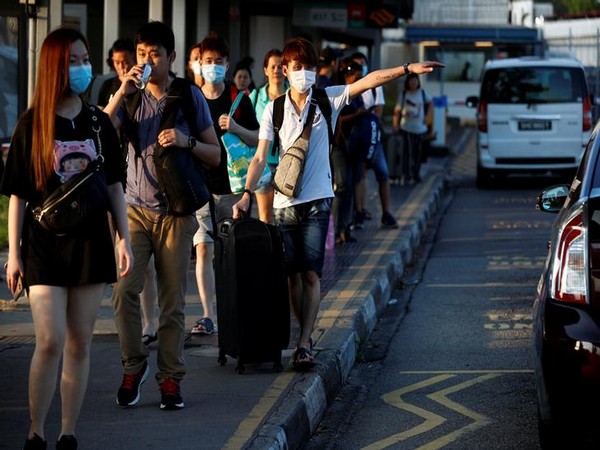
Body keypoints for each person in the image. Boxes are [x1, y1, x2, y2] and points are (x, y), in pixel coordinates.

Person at [232, 37, 443, 371]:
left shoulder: (328, 99)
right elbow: (260, 157)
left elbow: (368, 80)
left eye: (309, 67)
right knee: (293, 278)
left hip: (318, 200)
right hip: (285, 202)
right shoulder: (273, 109)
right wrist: (246, 193)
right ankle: (306, 332)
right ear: (286, 71)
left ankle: (303, 343)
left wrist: (406, 69)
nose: (304, 73)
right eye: (298, 68)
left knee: (312, 276)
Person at [0, 27, 133, 450]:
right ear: (54, 67)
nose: (82, 68)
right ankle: (35, 430)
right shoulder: (32, 123)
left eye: (84, 59)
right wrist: (13, 255)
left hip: (92, 242)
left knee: (79, 340)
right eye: (73, 61)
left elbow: (114, 186)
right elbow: (18, 195)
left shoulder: (98, 122)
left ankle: (67, 432)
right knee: (51, 339)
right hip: (43, 246)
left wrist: (123, 239)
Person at [103, 21, 221, 411]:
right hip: (134, 210)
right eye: (142, 54)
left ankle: (170, 379)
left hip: (176, 213)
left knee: (172, 304)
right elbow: (100, 131)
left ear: (171, 57)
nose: (147, 61)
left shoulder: (188, 95)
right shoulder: (130, 96)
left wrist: (186, 141)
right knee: (124, 292)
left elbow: (214, 153)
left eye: (154, 54)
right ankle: (133, 365)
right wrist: (123, 89)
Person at [190, 35, 260, 336]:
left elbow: (259, 139)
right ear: (199, 64)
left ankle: (236, 310)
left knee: (232, 251)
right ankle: (207, 315)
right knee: (204, 249)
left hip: (233, 188)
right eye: (208, 62)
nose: (213, 67)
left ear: (227, 65)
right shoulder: (192, 97)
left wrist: (235, 127)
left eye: (219, 62)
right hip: (199, 187)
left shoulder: (238, 98)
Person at [248, 48, 288, 223]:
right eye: (272, 67)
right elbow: (247, 128)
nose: (276, 71)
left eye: (280, 66)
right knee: (265, 217)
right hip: (263, 163)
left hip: (288, 164)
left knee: (286, 217)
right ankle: (270, 250)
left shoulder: (294, 95)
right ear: (265, 70)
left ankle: (285, 250)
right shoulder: (256, 97)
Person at [350, 52, 385, 229]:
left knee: (382, 174)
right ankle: (359, 210)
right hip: (354, 139)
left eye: (362, 64)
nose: (360, 68)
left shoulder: (374, 84)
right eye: (356, 64)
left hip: (372, 137)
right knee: (359, 175)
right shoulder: (348, 87)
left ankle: (384, 212)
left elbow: (378, 110)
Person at [392, 73, 432, 185]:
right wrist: (395, 125)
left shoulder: (422, 93)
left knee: (418, 153)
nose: (414, 82)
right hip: (406, 128)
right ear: (408, 82)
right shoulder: (404, 94)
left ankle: (416, 173)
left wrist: (427, 117)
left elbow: (430, 104)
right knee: (407, 152)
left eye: (415, 80)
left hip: (420, 128)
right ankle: (407, 174)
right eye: (411, 80)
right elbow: (397, 111)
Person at [97, 38, 136, 107]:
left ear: (134, 59)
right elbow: (101, 114)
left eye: (125, 62)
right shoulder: (107, 85)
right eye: (117, 62)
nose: (121, 66)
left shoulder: (140, 85)